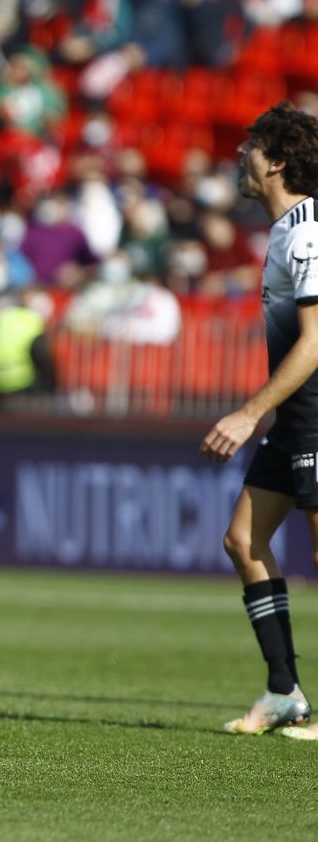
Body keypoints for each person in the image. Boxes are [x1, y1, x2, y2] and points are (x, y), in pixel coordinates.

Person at [200, 101, 318, 738]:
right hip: (297, 419)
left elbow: (316, 340)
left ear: (274, 161)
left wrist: (249, 412)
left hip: (317, 416)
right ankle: (284, 691)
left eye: (250, 148)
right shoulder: (283, 231)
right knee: (244, 541)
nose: (240, 156)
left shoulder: (311, 231)